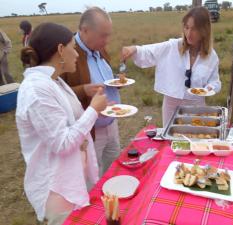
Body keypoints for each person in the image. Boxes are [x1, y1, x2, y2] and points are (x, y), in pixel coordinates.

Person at [16, 22, 107, 225]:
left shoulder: (54, 81)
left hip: (70, 178)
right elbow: (62, 143)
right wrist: (93, 110)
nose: (76, 54)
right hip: (57, 189)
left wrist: (82, 136)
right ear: (60, 50)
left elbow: (67, 124)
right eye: (73, 48)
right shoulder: (37, 91)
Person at [121, 7, 221, 127]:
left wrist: (210, 87)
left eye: (194, 29)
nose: (189, 33)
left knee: (194, 139)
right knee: (171, 139)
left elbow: (215, 81)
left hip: (196, 106)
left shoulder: (211, 56)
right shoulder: (173, 47)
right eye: (186, 27)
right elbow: (151, 51)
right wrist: (134, 49)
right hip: (171, 105)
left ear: (204, 30)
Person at [61, 7, 121, 177]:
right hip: (89, 131)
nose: (107, 40)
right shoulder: (68, 54)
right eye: (103, 35)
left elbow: (103, 76)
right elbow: (57, 93)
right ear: (84, 30)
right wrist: (83, 90)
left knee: (113, 171)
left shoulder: (98, 47)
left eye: (109, 34)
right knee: (92, 178)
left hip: (111, 123)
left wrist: (116, 81)